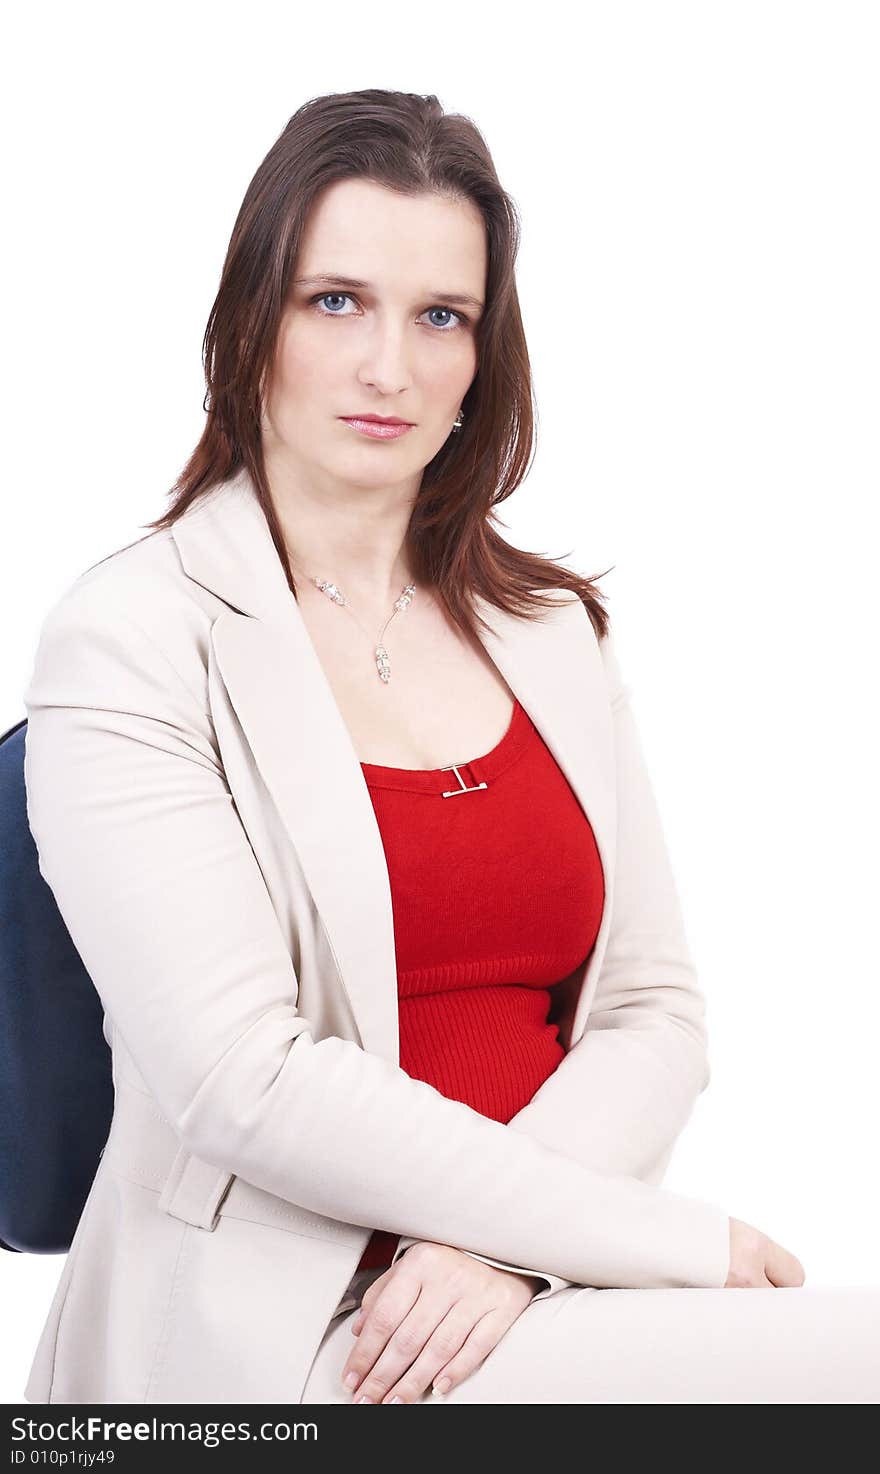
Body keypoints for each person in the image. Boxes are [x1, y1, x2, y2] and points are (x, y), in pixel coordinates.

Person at [21, 88, 880, 1405]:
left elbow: (655, 1009)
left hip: (527, 1285)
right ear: (250, 318)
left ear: (486, 353)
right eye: (335, 302)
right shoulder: (133, 636)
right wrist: (623, 1231)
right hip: (297, 1337)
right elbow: (242, 1080)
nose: (390, 368)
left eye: (442, 316)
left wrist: (507, 1244)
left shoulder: (548, 628)